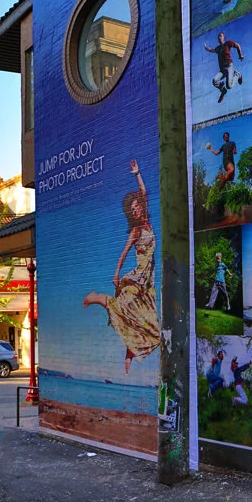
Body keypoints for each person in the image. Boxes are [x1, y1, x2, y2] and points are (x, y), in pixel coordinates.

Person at [80, 160, 160, 373]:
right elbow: (123, 255)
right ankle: (98, 298)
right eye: (132, 209)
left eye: (137, 207)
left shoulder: (148, 223)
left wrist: (137, 173)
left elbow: (143, 191)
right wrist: (116, 275)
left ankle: (130, 351)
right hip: (137, 280)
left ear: (141, 207)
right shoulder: (135, 232)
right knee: (123, 310)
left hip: (148, 285)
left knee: (152, 329)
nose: (135, 211)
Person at [203, 31, 245, 104]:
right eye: (218, 36)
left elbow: (237, 45)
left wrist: (240, 55)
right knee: (214, 81)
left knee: (229, 86)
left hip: (229, 67)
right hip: (222, 70)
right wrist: (206, 47)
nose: (219, 37)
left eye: (220, 36)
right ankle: (223, 91)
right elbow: (211, 50)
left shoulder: (228, 43)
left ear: (223, 37)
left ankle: (237, 75)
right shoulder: (218, 48)